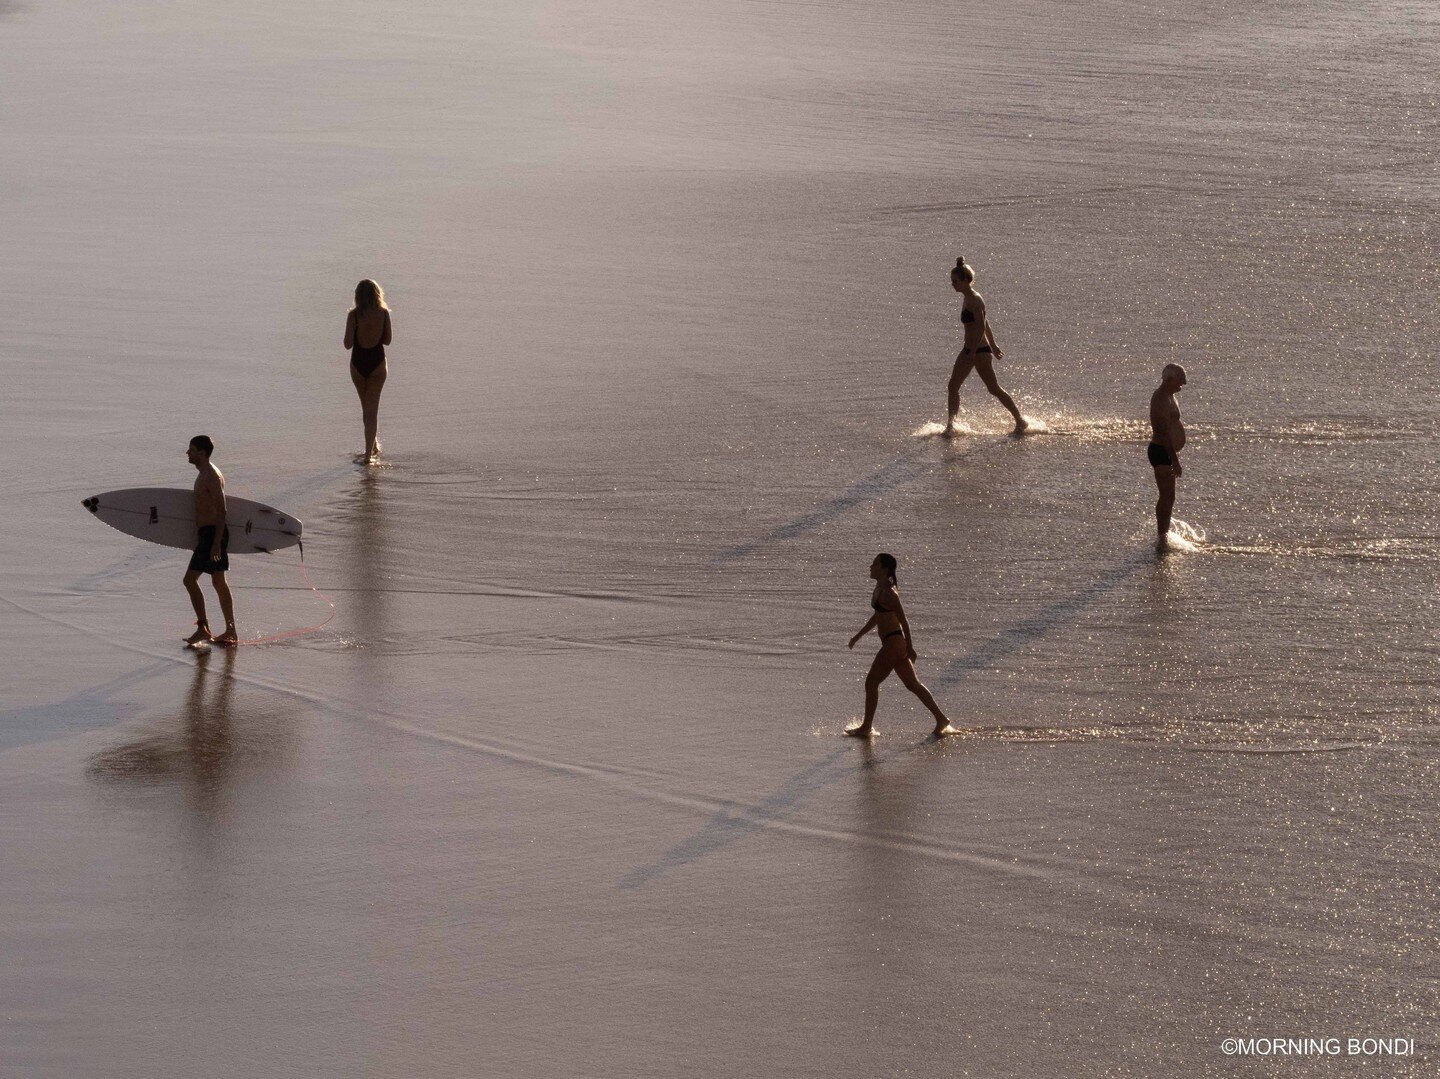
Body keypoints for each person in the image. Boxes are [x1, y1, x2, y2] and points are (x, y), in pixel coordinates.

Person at [846, 553, 953, 738]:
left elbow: (904, 621)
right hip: (892, 643)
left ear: (884, 568)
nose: (870, 567)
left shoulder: (889, 592)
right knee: (913, 685)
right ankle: (941, 719)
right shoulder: (879, 588)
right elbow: (878, 617)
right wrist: (858, 636)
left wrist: (910, 647)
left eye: (874, 564)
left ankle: (866, 727)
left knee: (871, 681)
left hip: (893, 643)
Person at [946, 257, 1028, 435]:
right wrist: (989, 346)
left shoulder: (975, 299)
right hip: (969, 350)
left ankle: (1020, 421)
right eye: (951, 281)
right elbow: (985, 323)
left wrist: (982, 348)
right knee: (952, 386)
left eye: (955, 281)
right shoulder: (967, 298)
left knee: (993, 388)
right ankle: (951, 426)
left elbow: (982, 325)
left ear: (966, 281)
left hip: (979, 351)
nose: (952, 284)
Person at [182, 435, 237, 646]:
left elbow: (222, 510)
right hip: (209, 534)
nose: (188, 453)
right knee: (218, 582)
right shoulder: (204, 473)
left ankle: (203, 628)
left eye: (192, 449)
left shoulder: (211, 476)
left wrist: (215, 543)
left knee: (189, 580)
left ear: (202, 453)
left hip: (212, 534)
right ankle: (231, 630)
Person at [345, 279, 392, 464]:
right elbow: (387, 341)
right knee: (371, 411)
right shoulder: (384, 314)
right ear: (377, 294)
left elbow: (347, 344)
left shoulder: (354, 316)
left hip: (358, 364)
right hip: (378, 364)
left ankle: (367, 457)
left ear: (357, 296)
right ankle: (371, 448)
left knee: (367, 409)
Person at [1148, 363, 1188, 549]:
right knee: (1167, 496)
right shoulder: (1160, 398)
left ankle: (1162, 535)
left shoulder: (1170, 396)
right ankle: (1162, 537)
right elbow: (1162, 432)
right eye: (1181, 379)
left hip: (1167, 451)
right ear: (1169, 379)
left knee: (1169, 496)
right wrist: (1175, 460)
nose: (1184, 383)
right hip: (1161, 451)